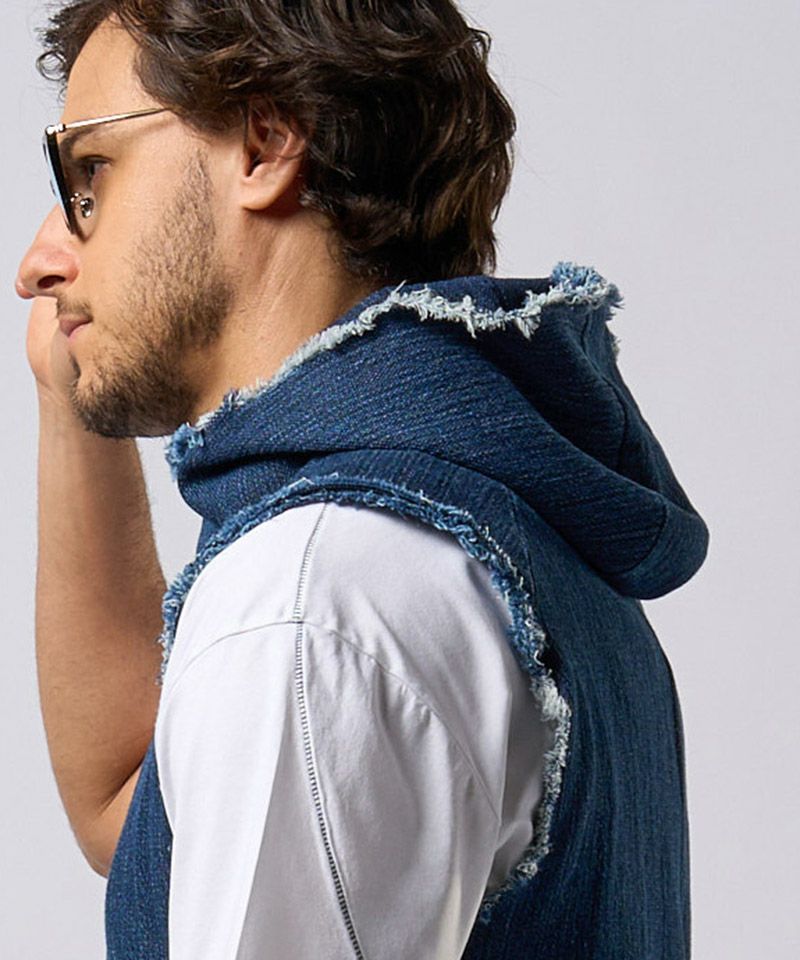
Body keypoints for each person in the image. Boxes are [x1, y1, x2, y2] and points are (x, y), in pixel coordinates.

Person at [15, 3, 709, 959]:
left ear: (265, 145)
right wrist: (71, 393)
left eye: (90, 173)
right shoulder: (504, 520)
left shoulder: (312, 597)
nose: (39, 261)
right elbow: (133, 810)